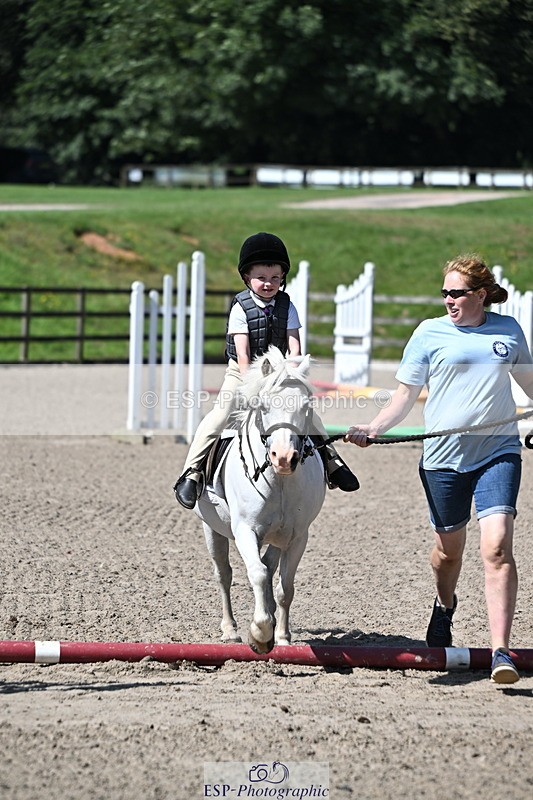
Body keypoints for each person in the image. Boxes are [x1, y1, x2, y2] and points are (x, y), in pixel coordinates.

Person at [345, 254, 533, 684]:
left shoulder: (508, 331)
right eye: (444, 292)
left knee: (498, 547)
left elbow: (530, 385)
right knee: (449, 553)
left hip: (497, 452)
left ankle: (501, 651)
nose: (448, 299)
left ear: (480, 295)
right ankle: (444, 605)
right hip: (443, 460)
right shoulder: (429, 333)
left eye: (457, 292)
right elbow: (404, 396)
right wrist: (373, 427)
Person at [174, 231, 359, 509]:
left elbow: (295, 349)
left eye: (275, 278)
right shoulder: (240, 308)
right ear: (247, 278)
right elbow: (245, 355)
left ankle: (333, 462)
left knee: (310, 418)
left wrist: (293, 377)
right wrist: (256, 387)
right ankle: (192, 472)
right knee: (219, 416)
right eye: (262, 277)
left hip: (281, 375)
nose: (269, 284)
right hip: (242, 374)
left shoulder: (288, 306)